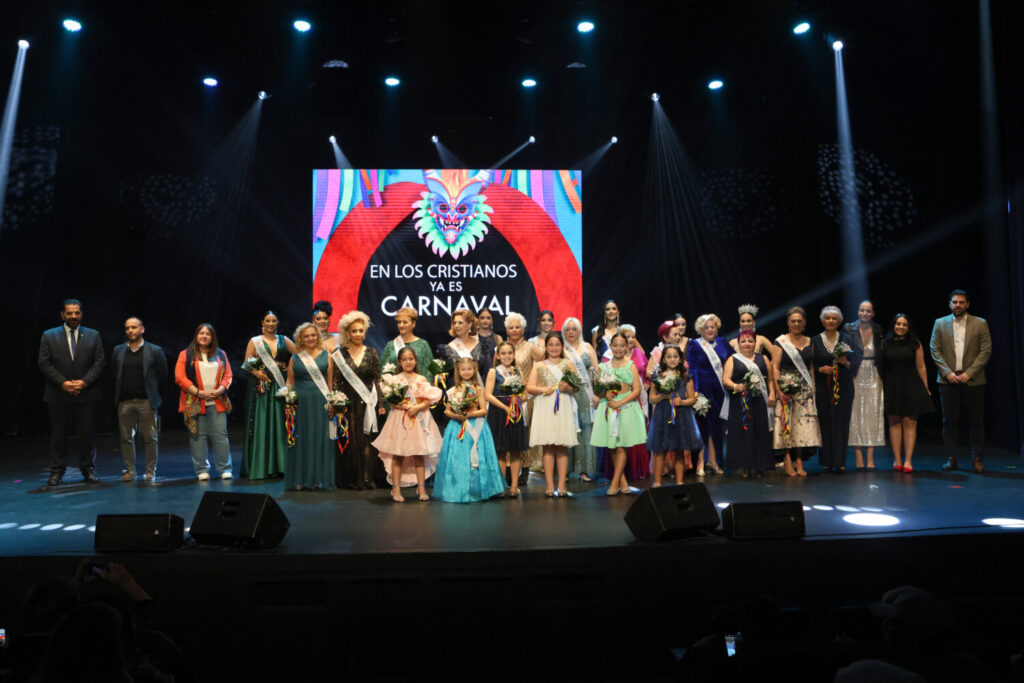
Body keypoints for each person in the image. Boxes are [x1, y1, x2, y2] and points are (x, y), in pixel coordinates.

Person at [37, 299, 106, 486]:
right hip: (58, 393)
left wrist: (84, 382)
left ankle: (88, 469)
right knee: (58, 435)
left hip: (87, 393)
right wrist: (63, 383)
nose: (73, 316)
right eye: (70, 313)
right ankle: (57, 471)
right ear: (63, 315)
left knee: (87, 434)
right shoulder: (49, 335)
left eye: (77, 313)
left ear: (81, 314)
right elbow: (44, 363)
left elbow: (99, 362)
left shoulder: (93, 335)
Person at [929, 289, 992, 473]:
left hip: (974, 380)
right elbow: (935, 349)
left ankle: (977, 458)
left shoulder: (980, 323)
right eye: (955, 302)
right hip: (948, 380)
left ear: (967, 304)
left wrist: (969, 373)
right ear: (950, 304)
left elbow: (985, 351)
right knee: (949, 421)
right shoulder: (940, 323)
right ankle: (951, 458)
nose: (958, 305)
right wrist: (947, 373)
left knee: (976, 421)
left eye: (961, 302)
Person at [373, 347, 443, 502]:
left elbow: (428, 400)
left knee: (419, 453)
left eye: (411, 359)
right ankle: (396, 488)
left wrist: (417, 407)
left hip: (418, 418)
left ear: (415, 360)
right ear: (399, 362)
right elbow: (391, 401)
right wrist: (404, 407)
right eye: (404, 360)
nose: (408, 362)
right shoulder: (394, 380)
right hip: (400, 418)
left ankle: (421, 487)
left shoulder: (421, 379)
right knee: (398, 453)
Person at [435, 357, 506, 502]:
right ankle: (457, 489)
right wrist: (457, 415)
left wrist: (469, 414)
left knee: (479, 456)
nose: (466, 372)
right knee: (458, 458)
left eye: (469, 369)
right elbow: (447, 410)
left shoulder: (478, 388)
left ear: (474, 370)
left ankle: (479, 490)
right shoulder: (454, 390)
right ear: (458, 371)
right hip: (457, 427)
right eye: (463, 369)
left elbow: (484, 410)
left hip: (476, 426)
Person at [330, 310, 385, 489]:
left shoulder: (371, 352)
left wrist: (381, 403)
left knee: (368, 441)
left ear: (365, 333)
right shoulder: (339, 354)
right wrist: (336, 403)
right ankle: (355, 479)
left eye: (361, 331)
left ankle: (368, 478)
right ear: (347, 333)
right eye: (354, 331)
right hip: (349, 403)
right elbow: (336, 381)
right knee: (352, 442)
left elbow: (377, 379)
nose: (358, 334)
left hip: (369, 402)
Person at [174, 323, 234, 480]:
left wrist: (220, 390)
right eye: (201, 333)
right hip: (194, 402)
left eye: (208, 334)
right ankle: (201, 470)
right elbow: (180, 378)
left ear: (212, 337)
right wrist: (198, 393)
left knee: (220, 436)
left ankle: (225, 469)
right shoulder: (185, 355)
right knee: (197, 437)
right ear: (196, 336)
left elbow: (228, 375)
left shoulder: (221, 354)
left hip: (217, 401)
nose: (204, 336)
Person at [112, 317, 168, 482]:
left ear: (142, 329)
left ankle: (150, 471)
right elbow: (115, 373)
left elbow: (163, 374)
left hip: (146, 401)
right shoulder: (118, 350)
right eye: (127, 328)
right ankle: (130, 471)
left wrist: (153, 394)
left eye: (134, 327)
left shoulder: (154, 350)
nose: (130, 330)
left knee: (150, 438)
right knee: (126, 438)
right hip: (124, 401)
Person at [241, 311, 295, 480]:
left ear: (277, 323)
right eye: (268, 321)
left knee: (280, 422)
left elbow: (301, 354)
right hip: (261, 386)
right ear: (262, 323)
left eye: (273, 321)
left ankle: (281, 465)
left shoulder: (284, 340)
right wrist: (258, 374)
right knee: (262, 422)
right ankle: (262, 466)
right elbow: (246, 363)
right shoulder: (255, 341)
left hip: (280, 384)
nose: (271, 324)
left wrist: (290, 366)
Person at [591, 333, 647, 495]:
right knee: (613, 446)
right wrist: (606, 395)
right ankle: (623, 483)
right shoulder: (603, 367)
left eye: (622, 345)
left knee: (622, 445)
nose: (619, 348)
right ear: (611, 346)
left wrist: (620, 402)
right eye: (615, 345)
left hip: (626, 407)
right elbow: (598, 389)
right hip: (609, 406)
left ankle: (614, 484)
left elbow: (636, 390)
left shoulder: (631, 366)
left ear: (627, 346)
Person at [527, 332, 579, 497]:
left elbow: (577, 387)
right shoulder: (538, 365)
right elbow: (530, 387)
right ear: (546, 347)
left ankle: (562, 486)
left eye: (557, 345)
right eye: (551, 345)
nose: (554, 348)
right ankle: (549, 486)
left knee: (562, 446)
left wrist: (567, 388)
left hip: (563, 404)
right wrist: (544, 389)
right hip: (544, 404)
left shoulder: (568, 363)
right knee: (548, 446)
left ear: (562, 346)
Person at [284, 322, 336, 490]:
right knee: (301, 439)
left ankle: (316, 479)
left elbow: (330, 384)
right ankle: (300, 478)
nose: (310, 338)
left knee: (320, 439)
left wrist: (332, 403)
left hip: (320, 402)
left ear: (318, 336)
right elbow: (289, 381)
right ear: (301, 339)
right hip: (300, 404)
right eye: (306, 336)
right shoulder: (294, 358)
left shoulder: (327, 356)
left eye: (313, 335)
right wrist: (287, 398)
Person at [771, 307, 820, 477]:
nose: (796, 324)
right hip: (787, 386)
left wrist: (813, 386)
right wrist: (779, 390)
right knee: (787, 423)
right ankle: (787, 459)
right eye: (793, 321)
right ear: (788, 323)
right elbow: (775, 367)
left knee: (802, 425)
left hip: (805, 389)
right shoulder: (780, 342)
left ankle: (799, 460)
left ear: (804, 323)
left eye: (800, 321)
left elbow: (810, 367)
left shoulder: (810, 341)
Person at [881, 314, 934, 472]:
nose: (901, 327)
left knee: (910, 423)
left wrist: (926, 387)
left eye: (904, 324)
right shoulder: (885, 343)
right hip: (892, 386)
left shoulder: (915, 343)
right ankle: (897, 459)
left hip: (911, 385)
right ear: (893, 325)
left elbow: (921, 366)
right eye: (898, 324)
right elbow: (881, 367)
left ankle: (908, 461)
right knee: (894, 422)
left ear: (908, 327)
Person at [811, 306, 861, 473]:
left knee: (841, 425)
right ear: (822, 321)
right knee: (824, 423)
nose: (831, 321)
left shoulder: (847, 339)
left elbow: (855, 362)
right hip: (822, 388)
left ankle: (840, 462)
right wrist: (819, 369)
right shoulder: (815, 340)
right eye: (828, 318)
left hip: (843, 388)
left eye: (834, 318)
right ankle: (826, 462)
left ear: (839, 321)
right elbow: (809, 364)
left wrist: (845, 362)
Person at [646, 344, 703, 485]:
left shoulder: (685, 377)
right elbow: (651, 398)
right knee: (661, 450)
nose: (672, 359)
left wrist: (682, 402)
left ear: (680, 359)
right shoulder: (658, 377)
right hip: (662, 415)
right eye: (669, 357)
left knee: (679, 450)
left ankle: (679, 482)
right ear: (664, 359)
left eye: (675, 356)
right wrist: (662, 396)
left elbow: (692, 399)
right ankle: (657, 483)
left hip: (681, 415)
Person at [723, 330, 776, 477]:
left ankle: (759, 466)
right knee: (742, 432)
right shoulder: (732, 359)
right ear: (739, 344)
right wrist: (736, 386)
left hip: (760, 401)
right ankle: (743, 465)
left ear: (755, 343)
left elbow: (770, 380)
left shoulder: (763, 358)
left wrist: (772, 393)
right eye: (743, 341)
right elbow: (725, 380)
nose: (747, 344)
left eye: (750, 341)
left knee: (760, 432)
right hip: (740, 402)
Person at [845, 300, 886, 470]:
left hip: (874, 372)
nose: (864, 313)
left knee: (873, 413)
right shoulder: (849, 329)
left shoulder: (878, 329)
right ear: (857, 312)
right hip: (855, 372)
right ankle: (858, 456)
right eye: (862, 310)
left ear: (873, 313)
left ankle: (870, 457)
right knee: (856, 413)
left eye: (868, 311)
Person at [686, 313, 729, 475]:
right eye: (706, 327)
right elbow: (692, 369)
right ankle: (700, 461)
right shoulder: (695, 345)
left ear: (717, 328)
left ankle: (714, 461)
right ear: (700, 329)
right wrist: (695, 391)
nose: (710, 330)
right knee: (703, 427)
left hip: (719, 391)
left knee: (717, 427)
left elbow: (731, 360)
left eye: (712, 327)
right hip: (702, 391)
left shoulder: (723, 342)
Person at [485, 341, 529, 496]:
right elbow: (488, 395)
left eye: (510, 353)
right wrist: (505, 408)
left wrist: (518, 398)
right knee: (501, 451)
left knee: (516, 450)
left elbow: (525, 395)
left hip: (515, 412)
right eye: (503, 353)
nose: (507, 356)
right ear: (498, 355)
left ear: (514, 354)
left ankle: (514, 486)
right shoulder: (493, 372)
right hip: (499, 413)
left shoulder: (518, 371)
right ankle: (502, 486)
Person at [503, 312, 539, 487]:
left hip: (526, 398)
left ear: (523, 330)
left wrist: (532, 381)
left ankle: (525, 468)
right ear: (507, 330)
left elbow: (543, 364)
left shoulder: (530, 347)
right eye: (511, 327)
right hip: (506, 397)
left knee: (525, 432)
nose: (514, 330)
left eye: (518, 327)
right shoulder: (502, 347)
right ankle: (508, 469)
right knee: (508, 431)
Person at [562, 317, 599, 481]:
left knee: (585, 428)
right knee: (569, 428)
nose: (571, 332)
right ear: (564, 331)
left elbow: (596, 371)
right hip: (568, 393)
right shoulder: (560, 348)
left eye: (574, 329)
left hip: (586, 393)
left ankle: (585, 469)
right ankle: (566, 470)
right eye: (568, 329)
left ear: (579, 331)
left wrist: (597, 394)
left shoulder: (587, 347)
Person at [435, 309, 496, 386]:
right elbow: (445, 376)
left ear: (470, 324)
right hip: (456, 391)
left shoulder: (482, 346)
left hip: (479, 390)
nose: (456, 325)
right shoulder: (448, 348)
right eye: (455, 322)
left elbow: (488, 372)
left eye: (460, 323)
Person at [379, 306, 435, 384]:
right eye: (399, 322)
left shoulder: (423, 345)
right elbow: (383, 371)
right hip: (396, 390)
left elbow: (430, 373)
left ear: (413, 324)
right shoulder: (391, 345)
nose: (401, 325)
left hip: (418, 388)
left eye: (405, 322)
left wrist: (424, 388)